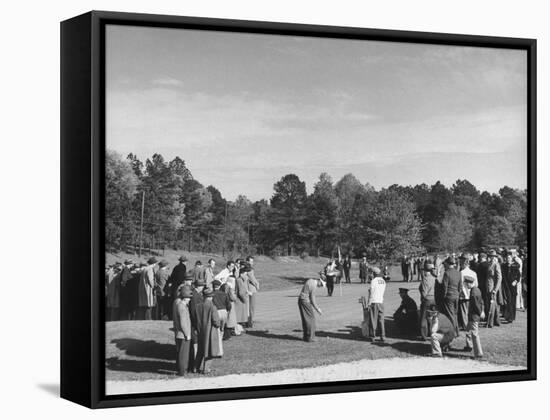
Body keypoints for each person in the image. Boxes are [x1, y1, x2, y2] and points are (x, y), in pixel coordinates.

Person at [193, 287, 221, 373]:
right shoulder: (212, 307)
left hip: (200, 330)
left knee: (200, 351)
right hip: (210, 332)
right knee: (209, 350)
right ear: (211, 297)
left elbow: (195, 319)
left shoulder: (197, 306)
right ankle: (206, 369)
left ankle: (195, 368)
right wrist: (218, 325)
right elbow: (216, 321)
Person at [173, 284, 192, 376]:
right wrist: (187, 334)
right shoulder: (182, 307)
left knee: (181, 353)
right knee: (183, 355)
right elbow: (183, 323)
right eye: (188, 298)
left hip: (179, 334)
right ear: (185, 298)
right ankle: (182, 371)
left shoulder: (179, 304)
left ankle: (181, 370)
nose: (189, 299)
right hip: (183, 334)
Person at [463, 276, 484, 358]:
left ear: (469, 283)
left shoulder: (473, 293)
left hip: (474, 316)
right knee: (468, 331)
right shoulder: (477, 289)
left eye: (466, 284)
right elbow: (481, 302)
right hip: (473, 315)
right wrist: (482, 310)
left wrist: (480, 313)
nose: (465, 285)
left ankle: (479, 353)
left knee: (475, 334)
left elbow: (475, 305)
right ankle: (469, 346)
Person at [298, 277, 324, 342]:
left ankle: (306, 337)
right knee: (311, 320)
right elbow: (312, 299)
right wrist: (318, 309)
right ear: (319, 281)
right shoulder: (314, 286)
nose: (320, 286)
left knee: (305, 320)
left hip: (301, 300)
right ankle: (311, 338)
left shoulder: (310, 280)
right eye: (321, 284)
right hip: (305, 302)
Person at [188, 277, 205, 372]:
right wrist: (197, 325)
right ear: (200, 286)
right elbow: (194, 312)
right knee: (195, 346)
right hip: (195, 324)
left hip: (195, 323)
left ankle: (194, 366)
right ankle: (194, 366)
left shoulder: (196, 294)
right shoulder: (195, 296)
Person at [441, 256, 461, 337]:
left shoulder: (447, 273)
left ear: (448, 264)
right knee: (455, 314)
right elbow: (460, 286)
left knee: (450, 315)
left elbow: (444, 287)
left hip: (449, 296)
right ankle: (457, 331)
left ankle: (453, 332)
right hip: (456, 295)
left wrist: (443, 296)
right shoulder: (458, 273)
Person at [458, 254, 478, 331]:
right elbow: (476, 285)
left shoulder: (461, 273)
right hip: (472, 295)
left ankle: (466, 326)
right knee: (470, 312)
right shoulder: (473, 273)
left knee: (464, 312)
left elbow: (459, 285)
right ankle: (471, 325)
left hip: (464, 296)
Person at [367, 267, 386, 342]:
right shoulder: (383, 281)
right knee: (381, 320)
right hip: (381, 301)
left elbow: (371, 293)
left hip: (374, 301)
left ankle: (372, 336)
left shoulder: (373, 281)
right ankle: (383, 336)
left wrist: (369, 303)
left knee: (373, 320)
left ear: (374, 273)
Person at [419, 262, 437, 340]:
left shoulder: (425, 279)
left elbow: (424, 292)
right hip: (435, 300)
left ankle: (424, 335)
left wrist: (423, 299)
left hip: (427, 299)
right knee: (433, 318)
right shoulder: (435, 278)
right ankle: (432, 333)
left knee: (423, 318)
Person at [485, 250, 503, 328]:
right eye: (490, 256)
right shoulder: (489, 264)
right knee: (494, 304)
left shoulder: (496, 265)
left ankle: (490, 322)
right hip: (488, 287)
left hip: (493, 288)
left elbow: (499, 278)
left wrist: (495, 289)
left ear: (495, 257)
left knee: (491, 305)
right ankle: (497, 321)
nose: (491, 258)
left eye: (492, 256)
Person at [501, 253, 521, 323]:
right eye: (507, 258)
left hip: (513, 286)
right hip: (507, 286)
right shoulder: (504, 266)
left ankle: (512, 316)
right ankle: (510, 317)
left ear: (511, 259)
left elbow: (518, 275)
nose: (508, 259)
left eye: (509, 258)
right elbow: (503, 277)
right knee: (509, 301)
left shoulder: (515, 266)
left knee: (513, 301)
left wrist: (515, 281)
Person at [234, 263, 251, 327]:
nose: (246, 275)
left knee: (241, 317)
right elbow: (241, 292)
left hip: (241, 301)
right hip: (240, 301)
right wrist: (245, 300)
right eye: (245, 274)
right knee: (239, 317)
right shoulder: (239, 280)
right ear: (241, 274)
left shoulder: (242, 280)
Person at [246, 256, 260, 328]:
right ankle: (250, 322)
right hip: (251, 289)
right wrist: (257, 284)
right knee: (252, 307)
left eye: (252, 261)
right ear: (247, 261)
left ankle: (249, 321)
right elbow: (252, 279)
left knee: (250, 307)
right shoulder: (249, 269)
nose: (252, 263)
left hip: (250, 289)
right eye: (251, 261)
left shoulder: (249, 269)